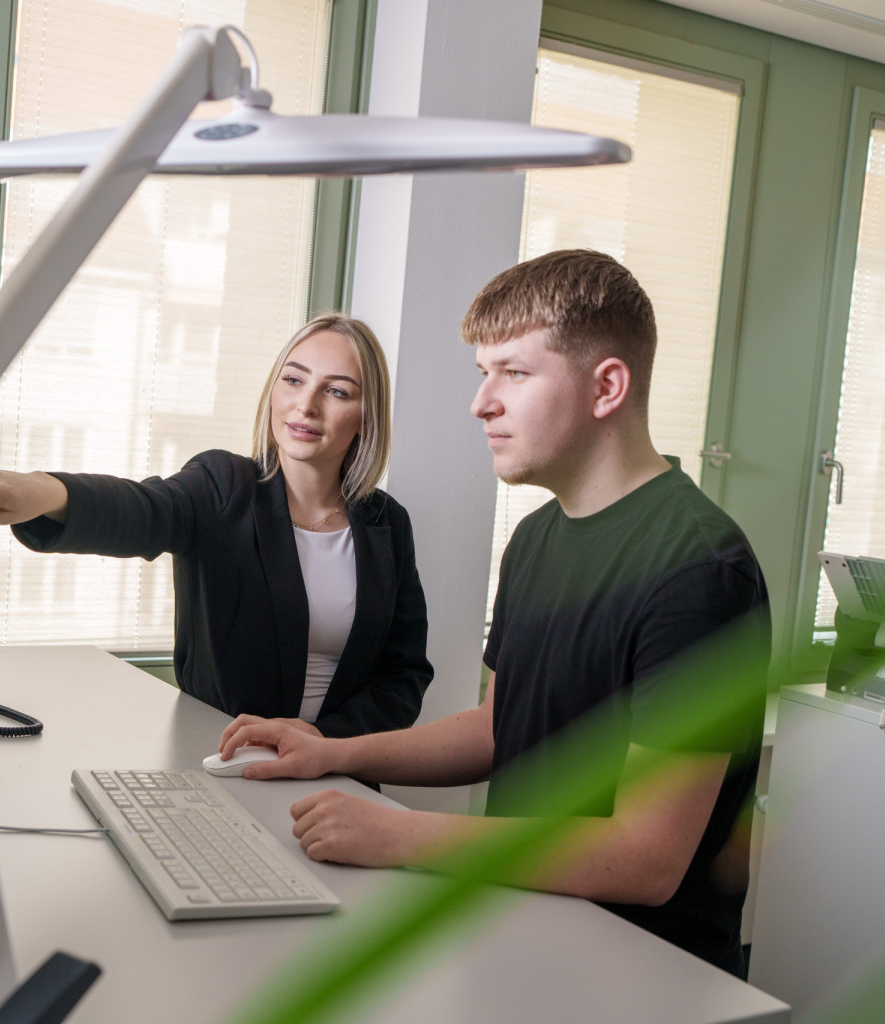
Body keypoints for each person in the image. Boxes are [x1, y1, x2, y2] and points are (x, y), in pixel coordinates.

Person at [216, 250, 770, 975]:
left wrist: (400, 836)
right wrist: (330, 751)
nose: (482, 403)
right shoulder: (538, 537)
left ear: (606, 386)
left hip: (643, 975)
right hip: (525, 930)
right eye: (484, 375)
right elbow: (491, 727)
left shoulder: (699, 573)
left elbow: (645, 857)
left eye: (514, 373)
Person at [0, 313, 432, 739]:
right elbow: (145, 509)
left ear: (366, 414)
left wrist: (323, 741)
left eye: (336, 391)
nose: (306, 405)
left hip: (340, 777)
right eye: (293, 380)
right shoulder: (224, 486)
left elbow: (402, 675)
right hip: (222, 766)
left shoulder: (386, 524)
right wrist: (45, 493)